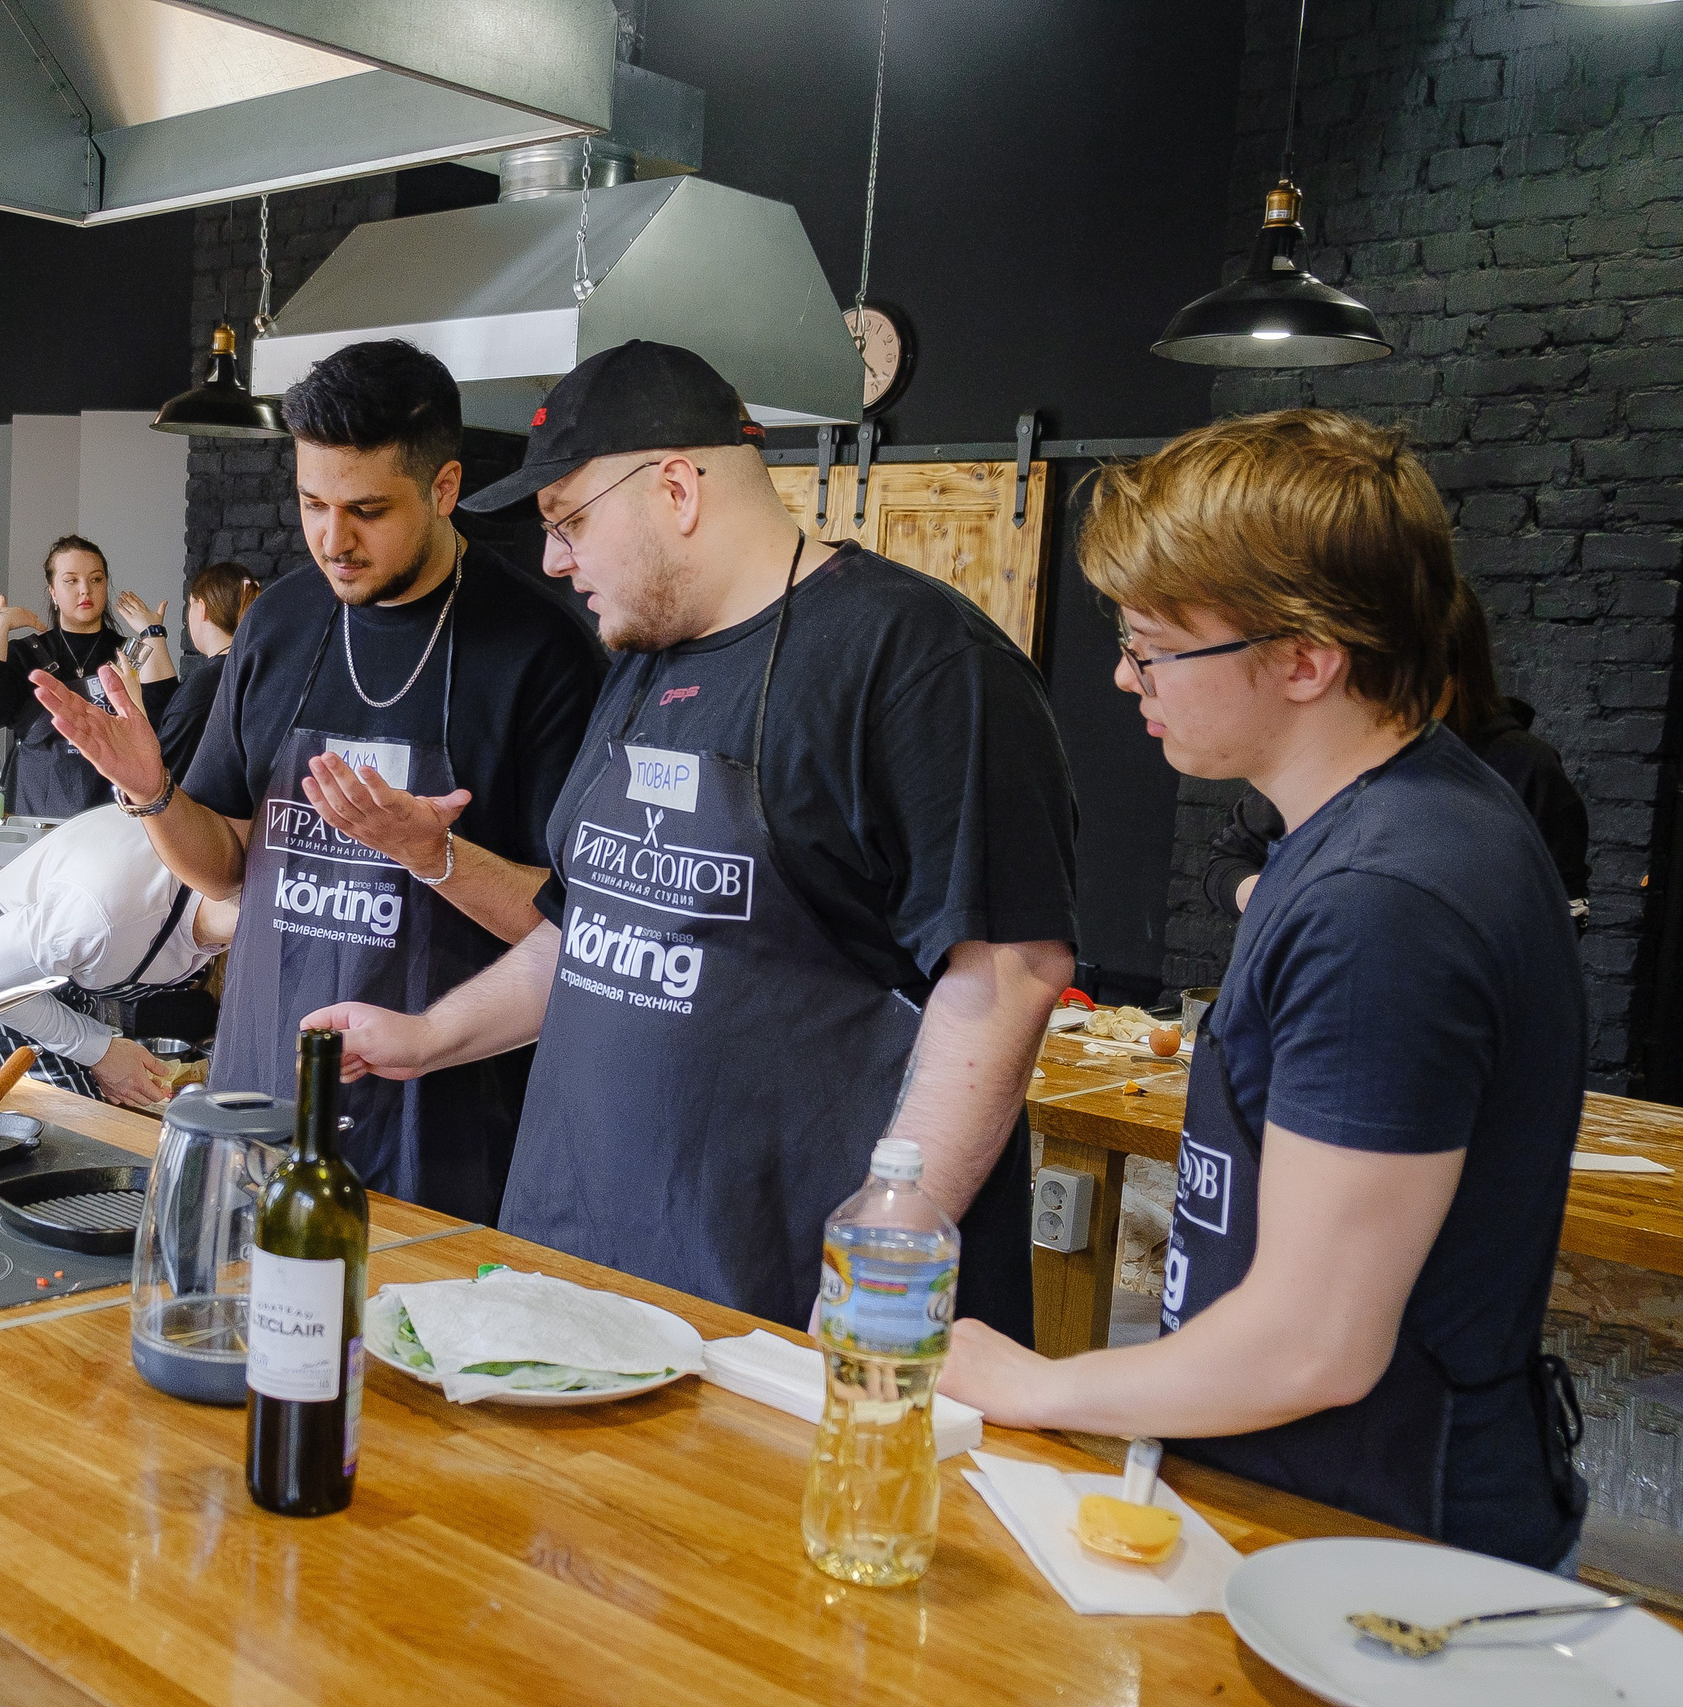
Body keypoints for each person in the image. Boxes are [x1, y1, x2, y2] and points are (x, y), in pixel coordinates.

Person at [296, 340, 1079, 1334]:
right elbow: (594, 932)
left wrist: (891, 1249)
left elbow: (1009, 970)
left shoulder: (918, 662)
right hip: (576, 1267)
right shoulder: (639, 663)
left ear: (673, 489)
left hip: (777, 1297)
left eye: (568, 520)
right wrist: (426, 1037)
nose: (552, 559)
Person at [939, 410, 1587, 1571]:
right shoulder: (1388, 825)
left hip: (1370, 1534)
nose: (1124, 677)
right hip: (1319, 1498)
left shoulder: (1385, 901)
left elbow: (1310, 1347)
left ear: (1303, 658)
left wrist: (1040, 1381)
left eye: (1153, 647)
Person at [27, 339, 606, 1223]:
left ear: (445, 489)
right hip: (262, 1098)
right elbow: (223, 868)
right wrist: (152, 793)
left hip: (444, 1133)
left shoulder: (541, 651)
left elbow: (576, 924)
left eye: (368, 509)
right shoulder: (281, 624)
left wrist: (433, 854)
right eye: (311, 502)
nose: (333, 539)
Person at [1204, 582, 1591, 927]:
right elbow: (1228, 861)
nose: (1390, 704)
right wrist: (1273, 897)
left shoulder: (1523, 770)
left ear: (1455, 674)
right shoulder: (1330, 749)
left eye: (1412, 686)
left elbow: (1558, 918)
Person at [0, 805, 235, 1106]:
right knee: (78, 1121)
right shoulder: (102, 914)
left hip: (61, 965)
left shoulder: (226, 894)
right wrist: (99, 1049)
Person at [0, 536, 136, 818]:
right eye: (71, 581)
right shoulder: (26, 654)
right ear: (52, 591)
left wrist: (154, 637)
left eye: (96, 580)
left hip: (112, 814)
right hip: (35, 809)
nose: (85, 590)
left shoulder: (128, 654)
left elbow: (163, 729)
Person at [116, 561, 262, 779]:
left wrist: (131, 698)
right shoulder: (247, 670)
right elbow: (169, 713)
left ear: (201, 609)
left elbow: (159, 771)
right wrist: (152, 632)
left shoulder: (208, 683)